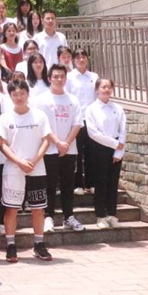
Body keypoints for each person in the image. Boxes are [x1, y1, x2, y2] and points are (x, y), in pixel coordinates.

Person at [0, 79, 56, 263]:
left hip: (36, 169)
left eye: (22, 93)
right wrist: (19, 162)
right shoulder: (5, 118)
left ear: (27, 94)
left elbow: (46, 140)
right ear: (10, 96)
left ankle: (39, 244)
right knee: (11, 209)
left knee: (38, 209)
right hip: (13, 170)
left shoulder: (39, 116)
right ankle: (10, 245)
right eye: (15, 94)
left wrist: (34, 160)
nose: (19, 97)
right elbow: (2, 144)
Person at [35, 65, 84, 233]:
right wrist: (57, 143)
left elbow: (77, 124)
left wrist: (66, 144)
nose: (59, 79)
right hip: (49, 150)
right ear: (49, 79)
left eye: (62, 76)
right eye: (55, 76)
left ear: (65, 78)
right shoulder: (41, 100)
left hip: (69, 150)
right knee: (49, 185)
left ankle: (68, 216)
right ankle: (48, 216)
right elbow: (43, 126)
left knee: (68, 185)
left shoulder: (73, 100)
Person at [84, 78, 126, 229]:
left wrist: (119, 151)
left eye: (109, 87)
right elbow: (93, 133)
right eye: (103, 87)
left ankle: (112, 215)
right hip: (99, 148)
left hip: (116, 151)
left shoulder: (118, 108)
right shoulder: (91, 109)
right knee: (100, 183)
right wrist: (114, 144)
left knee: (112, 184)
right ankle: (100, 216)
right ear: (97, 90)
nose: (106, 90)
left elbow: (123, 130)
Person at [67, 48, 99, 195]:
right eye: (78, 57)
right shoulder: (69, 77)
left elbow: (97, 97)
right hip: (77, 120)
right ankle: (78, 183)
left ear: (87, 59)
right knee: (77, 153)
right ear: (73, 60)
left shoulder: (94, 76)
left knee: (91, 152)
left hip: (91, 119)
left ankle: (91, 183)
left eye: (83, 57)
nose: (81, 60)